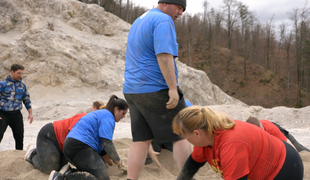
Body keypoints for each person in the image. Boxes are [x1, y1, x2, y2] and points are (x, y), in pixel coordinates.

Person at [123, 0, 192, 179]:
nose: (181, 13)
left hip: (132, 90)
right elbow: (163, 55)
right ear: (167, 3)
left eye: (182, 9)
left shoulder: (139, 20)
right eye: (179, 7)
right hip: (155, 88)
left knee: (140, 139)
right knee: (181, 134)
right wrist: (172, 88)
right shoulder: (163, 20)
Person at [173, 106, 304, 180]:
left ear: (197, 133)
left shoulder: (231, 145)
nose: (183, 138)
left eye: (183, 134)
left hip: (285, 168)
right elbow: (193, 163)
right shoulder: (207, 136)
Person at [49, 95, 128, 180]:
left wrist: (111, 161)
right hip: (79, 146)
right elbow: (107, 144)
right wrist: (119, 162)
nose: (124, 117)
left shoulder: (102, 113)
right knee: (103, 178)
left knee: (99, 168)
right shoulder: (108, 117)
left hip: (73, 144)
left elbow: (102, 145)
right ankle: (61, 178)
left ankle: (69, 172)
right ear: (116, 109)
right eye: (123, 113)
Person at [24, 101, 113, 174]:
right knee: (49, 169)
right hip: (50, 136)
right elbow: (72, 139)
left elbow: (103, 152)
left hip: (64, 146)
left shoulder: (102, 130)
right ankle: (32, 153)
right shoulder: (83, 118)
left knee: (61, 167)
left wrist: (114, 163)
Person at [0, 64, 33, 150]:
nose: (20, 75)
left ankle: (18, 160)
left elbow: (26, 99)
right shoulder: (3, 84)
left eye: (21, 73)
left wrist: (30, 113)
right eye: (18, 73)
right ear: (12, 72)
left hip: (16, 115)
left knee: (19, 138)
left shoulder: (22, 86)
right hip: (3, 114)